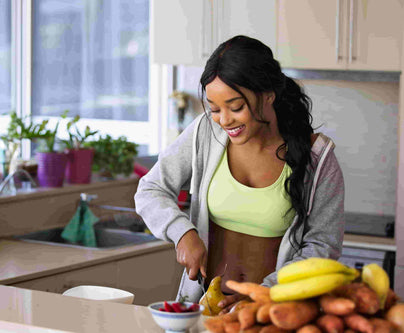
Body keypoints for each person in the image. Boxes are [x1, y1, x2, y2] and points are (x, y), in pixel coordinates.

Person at [134, 35, 345, 313]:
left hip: (272, 313)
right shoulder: (205, 132)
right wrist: (183, 232)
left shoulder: (317, 157)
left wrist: (264, 294)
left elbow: (322, 247)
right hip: (204, 309)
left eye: (236, 107)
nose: (224, 120)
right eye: (214, 109)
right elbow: (150, 190)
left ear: (268, 94)